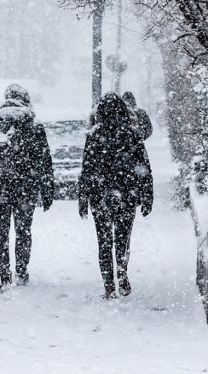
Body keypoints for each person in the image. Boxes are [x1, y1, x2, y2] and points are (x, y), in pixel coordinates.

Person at [0, 84, 54, 292]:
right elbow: (44, 160)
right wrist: (47, 189)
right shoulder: (34, 126)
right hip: (26, 188)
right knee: (23, 231)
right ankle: (21, 270)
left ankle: (4, 274)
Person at [78, 92, 154, 299]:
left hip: (99, 194)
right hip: (127, 194)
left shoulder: (94, 135)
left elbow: (86, 169)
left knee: (103, 241)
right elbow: (144, 168)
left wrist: (83, 198)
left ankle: (108, 285)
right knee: (123, 238)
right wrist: (147, 196)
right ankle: (122, 272)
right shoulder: (132, 135)